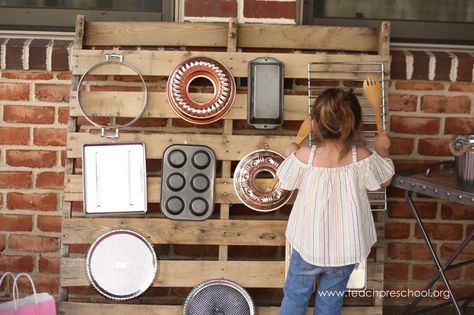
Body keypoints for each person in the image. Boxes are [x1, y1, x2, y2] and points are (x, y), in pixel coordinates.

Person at [277, 88, 394, 315]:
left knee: (295, 296)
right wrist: (382, 149)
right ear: (357, 126)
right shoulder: (362, 157)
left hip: (307, 246)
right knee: (330, 302)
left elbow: (285, 179)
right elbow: (385, 179)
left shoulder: (304, 157)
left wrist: (291, 150)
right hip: (345, 250)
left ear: (315, 125)